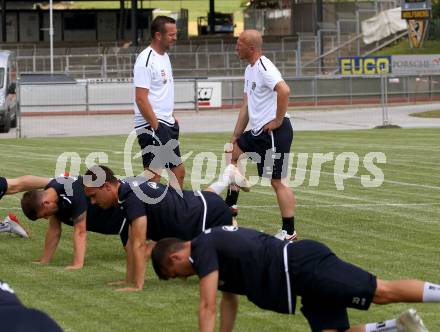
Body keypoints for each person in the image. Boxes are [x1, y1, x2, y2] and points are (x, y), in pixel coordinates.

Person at [151, 226, 436, 332]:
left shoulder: (202, 247)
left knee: (380, 291)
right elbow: (227, 300)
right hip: (299, 279)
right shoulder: (212, 252)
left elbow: (207, 305)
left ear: (174, 258)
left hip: (303, 265)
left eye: (175, 276)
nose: (182, 279)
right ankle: (398, 327)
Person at [83, 164, 249, 292]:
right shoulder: (126, 190)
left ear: (106, 187)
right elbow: (132, 242)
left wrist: (137, 285)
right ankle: (228, 180)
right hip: (200, 206)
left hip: (207, 215)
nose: (92, 202)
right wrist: (128, 279)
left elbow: (139, 244)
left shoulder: (132, 197)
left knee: (225, 271)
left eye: (93, 196)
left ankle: (234, 226)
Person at [225, 29, 296, 240]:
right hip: (257, 132)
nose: (236, 47)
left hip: (274, 132)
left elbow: (284, 91)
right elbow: (246, 105)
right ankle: (231, 204)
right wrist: (236, 135)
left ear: (251, 48)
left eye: (239, 43)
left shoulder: (265, 66)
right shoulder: (249, 70)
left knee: (277, 181)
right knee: (233, 153)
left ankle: (289, 231)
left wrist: (278, 120)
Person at [20, 175, 128, 270]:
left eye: (44, 215)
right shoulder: (51, 192)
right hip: (114, 222)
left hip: (124, 216)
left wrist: (77, 264)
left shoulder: (71, 194)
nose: (46, 218)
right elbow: (54, 230)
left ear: (46, 203)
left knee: (138, 253)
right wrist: (45, 260)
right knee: (136, 253)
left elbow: (80, 231)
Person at [133, 15, 185, 189]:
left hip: (166, 123)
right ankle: (145, 214)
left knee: (178, 173)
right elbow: (141, 98)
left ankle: (172, 213)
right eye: (171, 34)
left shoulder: (165, 57)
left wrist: (171, 118)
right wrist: (157, 126)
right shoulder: (146, 59)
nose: (175, 38)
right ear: (158, 35)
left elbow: (161, 93)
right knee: (153, 178)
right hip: (153, 126)